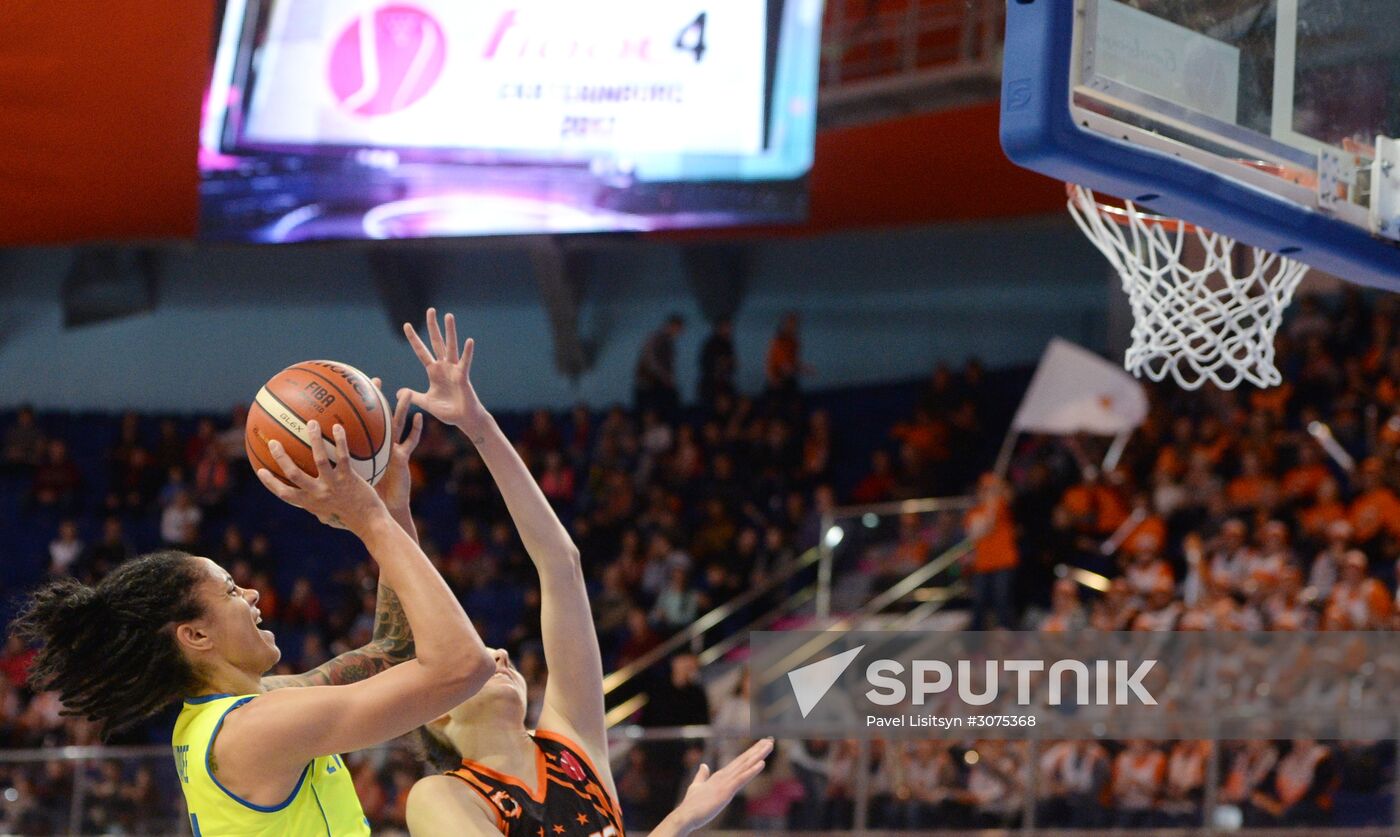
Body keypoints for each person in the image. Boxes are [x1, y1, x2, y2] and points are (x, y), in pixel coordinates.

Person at [11, 380, 496, 834]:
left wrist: (392, 509)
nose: (252, 594)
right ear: (195, 635)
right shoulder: (257, 729)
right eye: (228, 590)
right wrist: (369, 520)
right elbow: (463, 667)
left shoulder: (241, 712)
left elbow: (392, 649)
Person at [399, 310, 771, 836]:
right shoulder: (439, 795)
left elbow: (561, 565)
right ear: (438, 713)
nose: (500, 652)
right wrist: (678, 824)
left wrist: (478, 426)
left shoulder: (572, 742)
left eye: (491, 649)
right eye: (481, 656)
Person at [635, 314, 684, 420]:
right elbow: (651, 361)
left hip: (659, 384)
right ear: (672, 325)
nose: (679, 332)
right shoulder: (656, 339)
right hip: (650, 385)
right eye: (678, 328)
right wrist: (664, 376)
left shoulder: (668, 342)